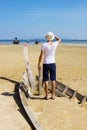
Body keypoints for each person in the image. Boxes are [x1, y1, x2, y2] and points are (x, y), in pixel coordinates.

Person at [38, 32, 61, 100]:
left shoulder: (44, 45)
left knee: (46, 80)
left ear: (46, 38)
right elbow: (59, 39)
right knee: (53, 80)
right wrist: (54, 36)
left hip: (46, 63)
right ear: (52, 37)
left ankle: (46, 96)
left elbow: (41, 55)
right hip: (52, 63)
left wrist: (38, 64)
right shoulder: (55, 44)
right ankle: (53, 95)